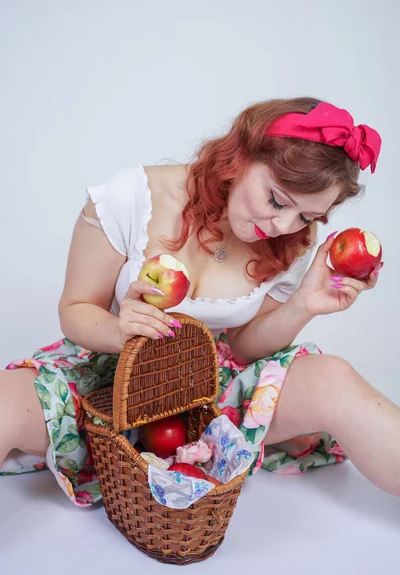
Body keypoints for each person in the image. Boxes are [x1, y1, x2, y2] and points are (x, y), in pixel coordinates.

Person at [1, 96, 396, 508]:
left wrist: (304, 304)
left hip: (204, 389)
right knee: (5, 400)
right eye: (277, 200)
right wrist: (120, 330)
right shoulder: (133, 196)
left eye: (306, 217)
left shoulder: (291, 239)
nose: (282, 225)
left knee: (334, 376)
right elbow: (76, 309)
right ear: (239, 156)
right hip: (105, 377)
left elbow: (242, 345)